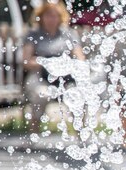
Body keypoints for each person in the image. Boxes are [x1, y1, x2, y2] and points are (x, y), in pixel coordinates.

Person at [23, 2, 85, 134]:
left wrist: (67, 64)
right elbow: (27, 61)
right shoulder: (34, 34)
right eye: (48, 15)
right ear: (41, 16)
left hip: (66, 77)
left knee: (76, 95)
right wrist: (48, 63)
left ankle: (81, 135)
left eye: (55, 16)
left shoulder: (68, 34)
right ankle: (33, 134)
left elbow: (80, 59)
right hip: (41, 76)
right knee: (41, 94)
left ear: (60, 17)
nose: (52, 19)